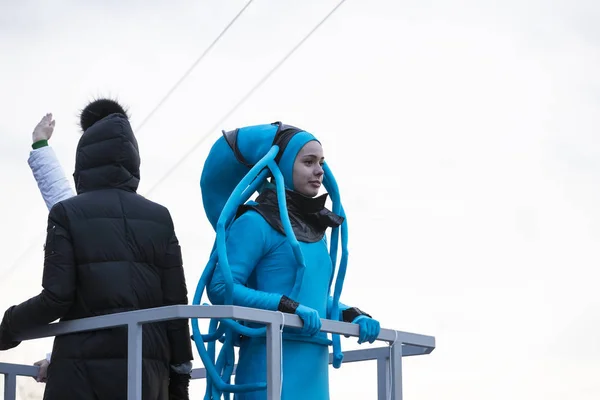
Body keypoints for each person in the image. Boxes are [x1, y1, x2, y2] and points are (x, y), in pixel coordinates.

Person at [0, 99, 194, 400]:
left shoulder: (68, 213)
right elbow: (175, 308)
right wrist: (179, 382)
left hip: (81, 380)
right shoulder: (160, 217)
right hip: (147, 381)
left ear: (85, 154)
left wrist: (7, 328)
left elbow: (57, 299)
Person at [203, 123, 381, 400]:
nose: (319, 171)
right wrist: (284, 306)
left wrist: (349, 313)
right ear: (284, 165)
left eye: (321, 162)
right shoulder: (254, 222)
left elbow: (313, 297)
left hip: (314, 369)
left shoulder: (316, 230)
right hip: (268, 368)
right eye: (308, 162)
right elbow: (220, 288)